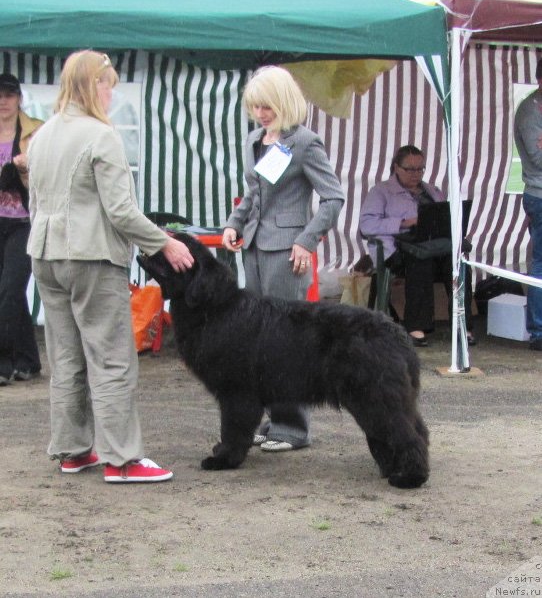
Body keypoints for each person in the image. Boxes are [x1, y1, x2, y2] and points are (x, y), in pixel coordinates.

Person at [27, 50, 194, 483]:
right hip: (91, 257)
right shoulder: (102, 137)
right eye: (107, 85)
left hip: (45, 255)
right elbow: (121, 211)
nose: (111, 93)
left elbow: (34, 204)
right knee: (113, 357)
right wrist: (165, 243)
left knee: (66, 355)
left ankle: (73, 450)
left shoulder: (42, 136)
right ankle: (122, 459)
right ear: (91, 85)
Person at [222, 66, 344, 453]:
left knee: (286, 342)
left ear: (284, 102)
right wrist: (233, 223)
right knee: (257, 341)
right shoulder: (254, 140)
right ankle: (267, 419)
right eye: (255, 107)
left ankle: (292, 426)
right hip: (255, 248)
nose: (260, 114)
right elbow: (253, 194)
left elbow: (333, 197)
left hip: (288, 253)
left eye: (266, 107)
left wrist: (307, 241)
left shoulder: (305, 142)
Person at [359, 144, 474, 347]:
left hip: (432, 246)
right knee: (420, 261)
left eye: (420, 169)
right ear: (396, 167)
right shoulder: (381, 191)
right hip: (397, 250)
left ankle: (462, 324)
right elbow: (366, 225)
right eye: (410, 169)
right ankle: (416, 326)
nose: (416, 174)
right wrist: (404, 223)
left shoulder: (432, 191)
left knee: (459, 263)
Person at [0, 74, 43, 385]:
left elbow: (48, 177)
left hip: (24, 221)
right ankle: (25, 360)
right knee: (8, 295)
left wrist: (26, 169)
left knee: (11, 290)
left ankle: (10, 362)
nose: (3, 101)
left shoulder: (36, 132)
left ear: (19, 99)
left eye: (10, 95)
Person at [514, 58, 542, 351]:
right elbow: (538, 158)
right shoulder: (530, 111)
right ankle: (538, 330)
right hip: (539, 195)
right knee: (541, 262)